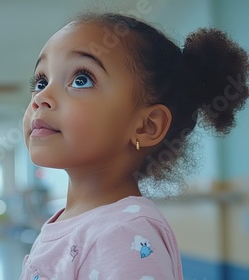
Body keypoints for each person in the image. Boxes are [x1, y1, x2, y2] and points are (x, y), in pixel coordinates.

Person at [20, 12, 248, 280]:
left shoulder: (124, 232)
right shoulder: (66, 224)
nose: (41, 98)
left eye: (82, 80)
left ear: (147, 126)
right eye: (41, 81)